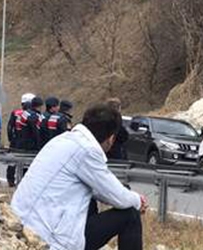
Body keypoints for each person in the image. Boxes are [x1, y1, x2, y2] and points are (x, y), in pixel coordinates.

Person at [11, 103, 148, 250]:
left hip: (22, 230)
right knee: (130, 215)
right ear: (111, 138)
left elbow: (101, 190)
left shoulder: (62, 140)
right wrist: (138, 201)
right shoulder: (87, 150)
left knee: (90, 199)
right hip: (49, 241)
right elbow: (119, 197)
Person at [6, 93, 34, 187]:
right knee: (26, 161)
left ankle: (10, 179)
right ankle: (23, 180)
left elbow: (10, 127)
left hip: (15, 140)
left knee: (12, 160)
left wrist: (11, 138)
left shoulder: (15, 113)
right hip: (27, 141)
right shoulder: (32, 115)